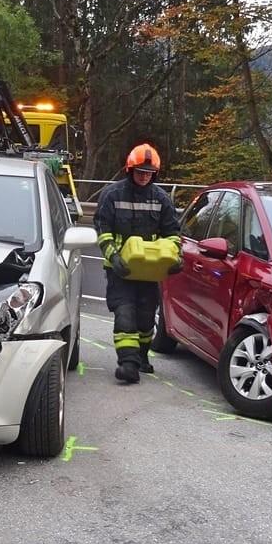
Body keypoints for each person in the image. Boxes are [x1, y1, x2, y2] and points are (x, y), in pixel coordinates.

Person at [94, 143, 182, 383]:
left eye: (149, 173)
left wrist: (176, 258)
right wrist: (113, 256)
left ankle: (142, 357)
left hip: (149, 271)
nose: (144, 177)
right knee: (125, 315)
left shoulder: (161, 199)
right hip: (120, 270)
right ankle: (128, 364)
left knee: (145, 319)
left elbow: (172, 232)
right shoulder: (112, 195)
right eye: (140, 172)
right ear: (129, 170)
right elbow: (103, 230)